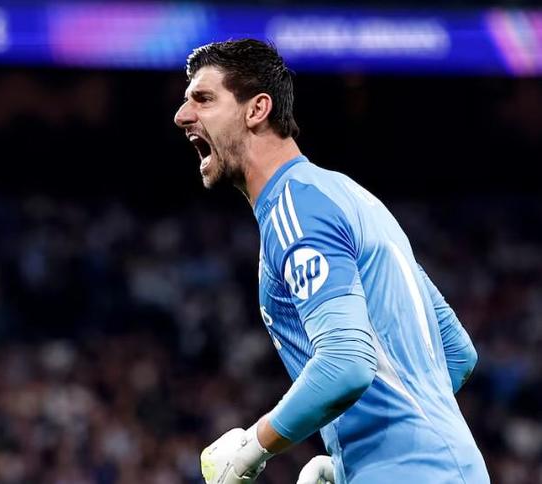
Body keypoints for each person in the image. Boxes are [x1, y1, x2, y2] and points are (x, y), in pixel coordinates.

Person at [173, 39, 489, 484]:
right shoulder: (350, 197)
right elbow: (456, 353)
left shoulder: (295, 208)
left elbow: (346, 362)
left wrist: (252, 448)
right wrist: (356, 454)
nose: (182, 115)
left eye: (203, 98)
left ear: (257, 109)